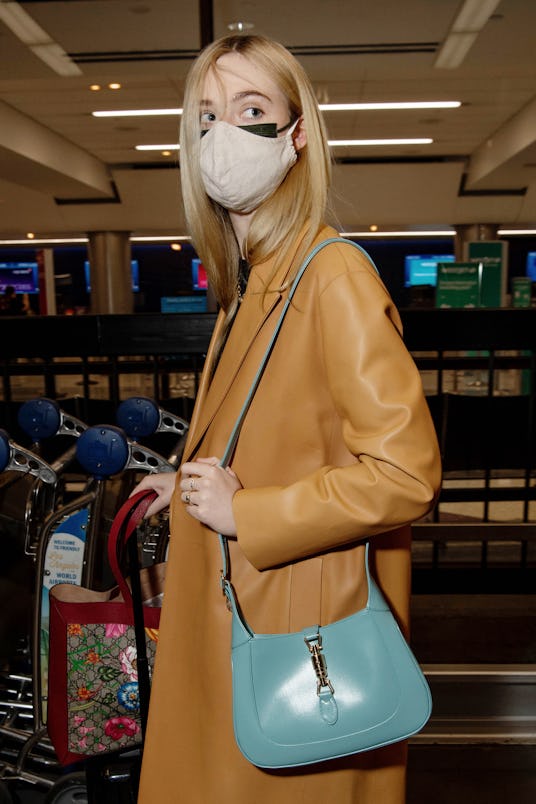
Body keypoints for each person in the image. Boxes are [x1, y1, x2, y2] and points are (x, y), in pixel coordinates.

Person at [134, 33, 442, 804]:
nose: (224, 134)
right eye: (207, 115)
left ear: (297, 134)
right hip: (244, 630)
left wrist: (249, 512)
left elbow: (405, 475)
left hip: (294, 645)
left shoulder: (328, 273)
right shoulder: (256, 282)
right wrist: (190, 485)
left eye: (251, 109)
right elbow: (279, 435)